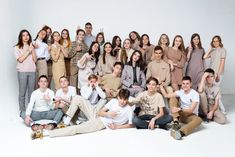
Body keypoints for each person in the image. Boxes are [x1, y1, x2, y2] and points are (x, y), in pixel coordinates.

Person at [33, 89, 134, 138]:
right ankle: (67, 120)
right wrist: (108, 114)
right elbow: (99, 112)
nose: (122, 102)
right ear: (118, 97)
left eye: (125, 100)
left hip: (101, 123)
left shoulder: (129, 109)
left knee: (76, 130)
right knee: (77, 97)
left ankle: (46, 133)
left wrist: (117, 127)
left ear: (127, 99)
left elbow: (131, 124)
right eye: (121, 99)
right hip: (97, 115)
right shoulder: (113, 102)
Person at [14, 29, 37, 117]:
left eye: (27, 35)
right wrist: (28, 51)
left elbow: (35, 60)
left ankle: (30, 110)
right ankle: (22, 111)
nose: (26, 37)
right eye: (23, 35)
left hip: (32, 71)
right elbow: (20, 59)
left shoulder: (32, 46)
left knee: (31, 92)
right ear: (21, 37)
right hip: (22, 72)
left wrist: (33, 50)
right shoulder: (16, 47)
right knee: (22, 92)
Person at [203, 35, 226, 113]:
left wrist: (218, 74)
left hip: (218, 74)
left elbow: (222, 63)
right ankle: (215, 108)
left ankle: (222, 110)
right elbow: (204, 57)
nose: (215, 42)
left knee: (216, 91)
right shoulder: (213, 51)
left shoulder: (223, 50)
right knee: (210, 91)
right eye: (214, 41)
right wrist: (210, 48)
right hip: (211, 74)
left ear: (220, 41)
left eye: (217, 41)